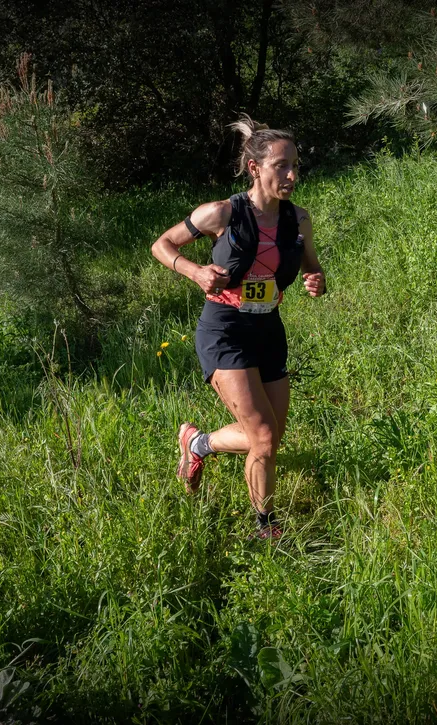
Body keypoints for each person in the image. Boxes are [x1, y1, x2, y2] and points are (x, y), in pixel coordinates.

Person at [151, 115, 326, 540]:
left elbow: (312, 266)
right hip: (224, 328)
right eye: (281, 166)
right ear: (255, 168)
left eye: (295, 166)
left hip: (269, 330)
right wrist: (194, 271)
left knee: (269, 438)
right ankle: (265, 527)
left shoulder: (298, 220)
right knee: (262, 436)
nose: (291, 175)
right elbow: (162, 245)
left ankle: (198, 444)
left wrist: (316, 280)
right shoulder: (222, 213)